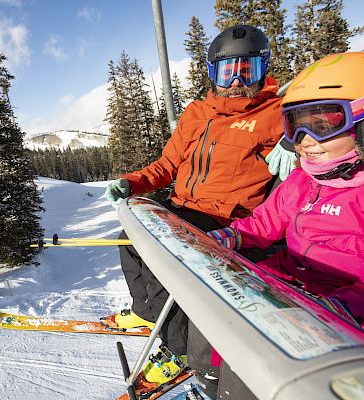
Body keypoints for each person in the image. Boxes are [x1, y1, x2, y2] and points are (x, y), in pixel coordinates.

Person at [191, 51, 364, 398]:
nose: (304, 139)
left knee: (258, 348)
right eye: (295, 125)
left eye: (323, 123)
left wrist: (336, 311)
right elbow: (264, 223)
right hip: (288, 285)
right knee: (213, 302)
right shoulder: (303, 180)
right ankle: (208, 381)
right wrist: (229, 236)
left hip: (341, 310)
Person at [103, 24, 296, 385]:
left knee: (168, 265)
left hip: (225, 218)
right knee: (129, 239)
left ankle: (177, 350)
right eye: (227, 71)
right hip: (182, 208)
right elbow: (166, 166)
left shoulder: (275, 115)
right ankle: (148, 313)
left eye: (247, 70)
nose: (237, 80)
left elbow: (316, 142)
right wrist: (131, 182)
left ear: (263, 69)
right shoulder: (197, 113)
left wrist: (293, 141)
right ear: (213, 73)